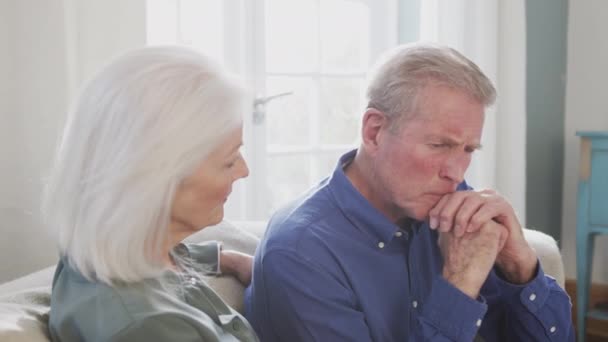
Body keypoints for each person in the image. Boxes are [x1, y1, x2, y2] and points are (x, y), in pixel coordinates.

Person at [245, 43, 574, 341]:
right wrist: (459, 285)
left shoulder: (448, 203)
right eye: (438, 145)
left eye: (468, 149)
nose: (456, 172)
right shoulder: (301, 253)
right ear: (374, 132)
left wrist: (521, 269)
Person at [44, 46, 258, 341]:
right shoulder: (150, 327)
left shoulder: (110, 249)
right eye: (229, 161)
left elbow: (167, 256)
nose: (244, 171)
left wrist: (229, 259)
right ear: (157, 180)